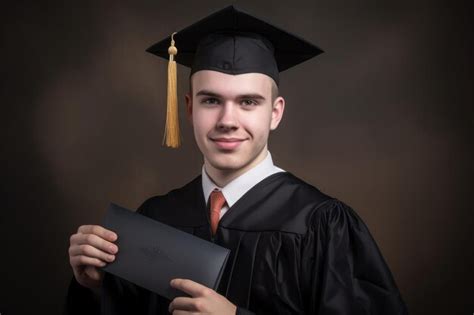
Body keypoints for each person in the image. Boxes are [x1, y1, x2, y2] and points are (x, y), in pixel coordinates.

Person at [65, 5, 408, 315]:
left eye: (248, 102)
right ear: (189, 108)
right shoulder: (155, 218)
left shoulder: (321, 224)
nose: (227, 120)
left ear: (275, 113)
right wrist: (93, 288)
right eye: (211, 100)